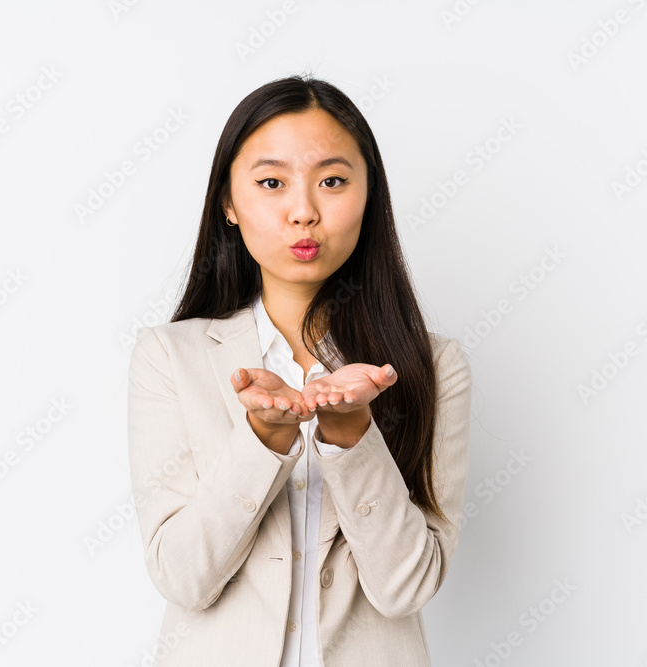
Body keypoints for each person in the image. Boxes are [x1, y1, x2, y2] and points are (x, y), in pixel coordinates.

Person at [127, 74, 472, 666]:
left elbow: (405, 588)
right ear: (229, 204)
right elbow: (183, 580)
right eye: (271, 182)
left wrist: (353, 435)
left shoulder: (433, 365)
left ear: (369, 196)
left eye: (333, 181)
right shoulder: (169, 357)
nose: (304, 211)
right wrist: (262, 439)